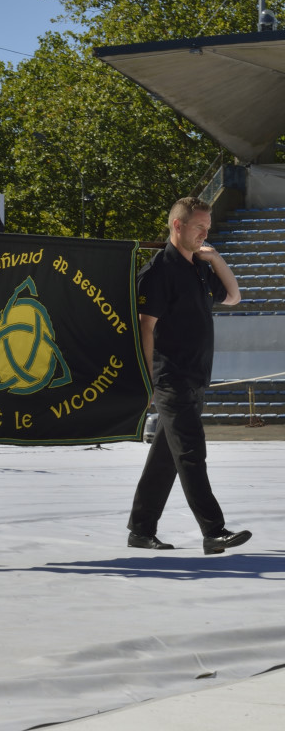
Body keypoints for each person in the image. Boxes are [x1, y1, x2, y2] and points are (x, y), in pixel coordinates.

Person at [127, 196, 251, 555]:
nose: (204, 234)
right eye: (199, 227)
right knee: (192, 454)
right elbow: (144, 327)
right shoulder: (158, 272)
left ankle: (140, 528)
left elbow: (233, 297)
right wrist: (147, 379)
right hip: (171, 378)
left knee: (165, 459)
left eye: (208, 228)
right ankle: (213, 531)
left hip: (196, 376)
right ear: (177, 226)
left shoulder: (198, 267)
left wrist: (214, 257)